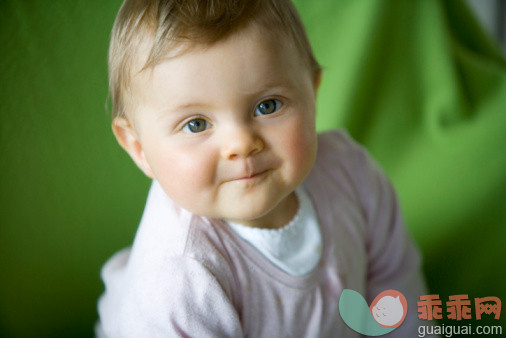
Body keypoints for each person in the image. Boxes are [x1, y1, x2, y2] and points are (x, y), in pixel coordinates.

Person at [96, 0, 428, 336]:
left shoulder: (351, 173)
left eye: (267, 106)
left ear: (311, 92)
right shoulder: (180, 280)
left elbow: (395, 283)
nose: (241, 143)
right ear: (140, 149)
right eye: (196, 124)